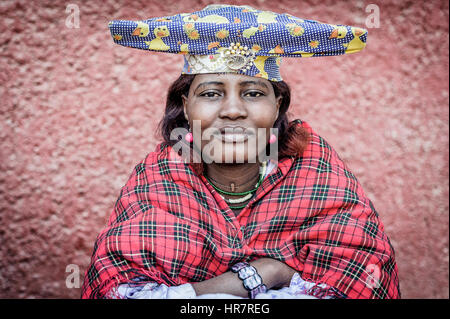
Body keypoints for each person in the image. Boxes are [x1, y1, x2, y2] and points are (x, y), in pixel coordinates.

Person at [81, 4, 400, 299]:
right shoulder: (157, 182)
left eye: (252, 92)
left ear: (277, 107)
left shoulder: (323, 183)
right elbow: (117, 290)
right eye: (210, 93)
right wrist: (265, 274)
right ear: (186, 107)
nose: (233, 110)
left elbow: (360, 286)